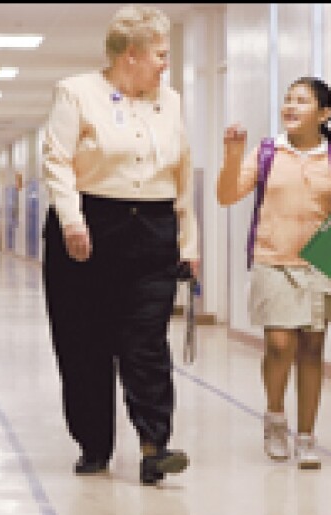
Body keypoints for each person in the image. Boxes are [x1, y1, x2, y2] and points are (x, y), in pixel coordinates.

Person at [41, 4, 199, 485]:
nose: (165, 63)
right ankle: (94, 445)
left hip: (152, 228)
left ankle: (155, 446)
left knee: (147, 343)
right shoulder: (76, 92)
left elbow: (182, 172)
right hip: (89, 225)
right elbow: (57, 160)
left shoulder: (168, 100)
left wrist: (188, 244)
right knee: (84, 342)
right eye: (160, 53)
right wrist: (72, 221)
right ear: (131, 54)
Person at [216, 77, 331, 469]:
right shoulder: (266, 152)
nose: (291, 107)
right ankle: (275, 417)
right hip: (272, 260)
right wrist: (232, 155)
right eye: (287, 100)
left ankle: (307, 436)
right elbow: (225, 195)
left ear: (324, 114)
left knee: (312, 349)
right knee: (279, 345)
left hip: (318, 265)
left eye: (302, 101)